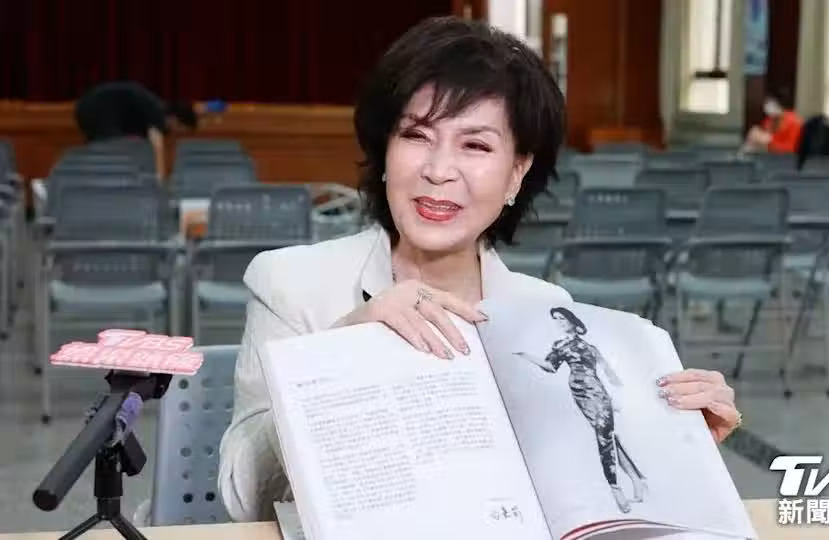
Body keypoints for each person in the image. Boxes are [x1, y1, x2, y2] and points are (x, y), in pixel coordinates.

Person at [217, 16, 742, 523]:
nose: (439, 170)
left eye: (475, 145)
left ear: (517, 172)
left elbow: (576, 496)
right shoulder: (293, 284)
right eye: (417, 136)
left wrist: (676, 439)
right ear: (385, 151)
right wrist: (336, 355)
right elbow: (243, 497)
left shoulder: (543, 310)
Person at [513, 307, 647, 514]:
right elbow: (550, 367)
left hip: (599, 391)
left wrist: (619, 396)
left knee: (605, 435)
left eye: (562, 318)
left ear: (572, 320)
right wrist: (526, 355)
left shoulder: (591, 347)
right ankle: (628, 481)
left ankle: (621, 484)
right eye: (555, 319)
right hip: (580, 391)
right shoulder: (559, 345)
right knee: (606, 435)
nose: (559, 322)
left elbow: (609, 372)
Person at [73, 81, 199, 178]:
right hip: (95, 109)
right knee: (110, 151)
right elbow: (157, 148)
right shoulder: (157, 113)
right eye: (180, 130)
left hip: (89, 108)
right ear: (175, 119)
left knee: (111, 150)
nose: (177, 135)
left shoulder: (153, 109)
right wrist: (160, 181)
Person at [741, 89, 803, 155]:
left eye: (771, 105)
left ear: (779, 105)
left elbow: (792, 148)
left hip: (787, 157)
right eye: (766, 104)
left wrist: (769, 142)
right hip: (770, 154)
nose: (767, 108)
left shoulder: (794, 122)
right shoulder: (769, 120)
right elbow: (763, 135)